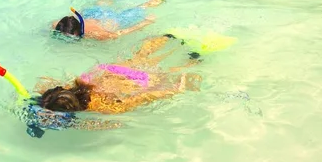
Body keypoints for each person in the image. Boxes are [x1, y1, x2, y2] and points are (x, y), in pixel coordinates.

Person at [33, 34, 202, 115]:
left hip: (141, 82)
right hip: (112, 69)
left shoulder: (100, 107)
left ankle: (194, 61)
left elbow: (141, 98)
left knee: (166, 74)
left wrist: (175, 90)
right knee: (139, 57)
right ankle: (166, 37)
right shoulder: (80, 81)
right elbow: (44, 83)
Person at [51, 0, 172, 40]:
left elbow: (118, 34)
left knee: (144, 6)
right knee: (105, 2)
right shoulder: (58, 24)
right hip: (93, 12)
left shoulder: (95, 33)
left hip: (112, 19)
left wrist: (146, 22)